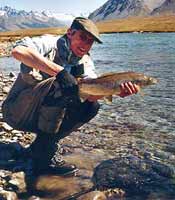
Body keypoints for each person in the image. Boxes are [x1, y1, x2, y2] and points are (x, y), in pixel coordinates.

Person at [2, 17, 139, 176]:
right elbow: (18, 51)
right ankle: (42, 160)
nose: (85, 45)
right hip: (17, 113)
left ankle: (42, 146)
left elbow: (90, 97)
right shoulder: (49, 43)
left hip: (44, 120)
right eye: (82, 37)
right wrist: (60, 73)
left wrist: (114, 91)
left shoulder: (86, 63)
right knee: (59, 84)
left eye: (90, 42)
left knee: (91, 106)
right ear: (70, 33)